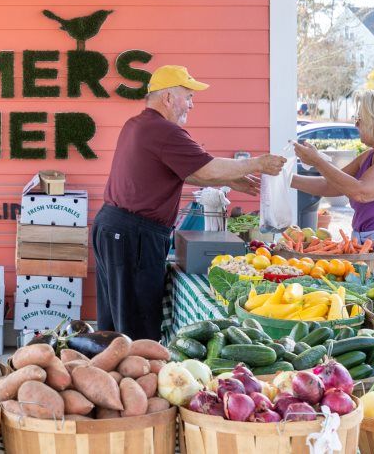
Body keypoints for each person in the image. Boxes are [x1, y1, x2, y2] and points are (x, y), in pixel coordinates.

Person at [95, 65, 286, 340]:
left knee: (115, 322)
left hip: (114, 228)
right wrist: (258, 163)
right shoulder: (164, 131)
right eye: (189, 96)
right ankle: (136, 377)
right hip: (133, 235)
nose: (192, 105)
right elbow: (206, 167)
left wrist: (229, 180)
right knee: (136, 328)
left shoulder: (138, 124)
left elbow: (187, 171)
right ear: (168, 98)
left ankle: (113, 376)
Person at [292, 90, 374, 248]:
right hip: (362, 241)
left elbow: (361, 193)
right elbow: (331, 185)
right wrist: (285, 178)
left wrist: (317, 161)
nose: (356, 124)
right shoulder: (368, 156)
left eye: (360, 119)